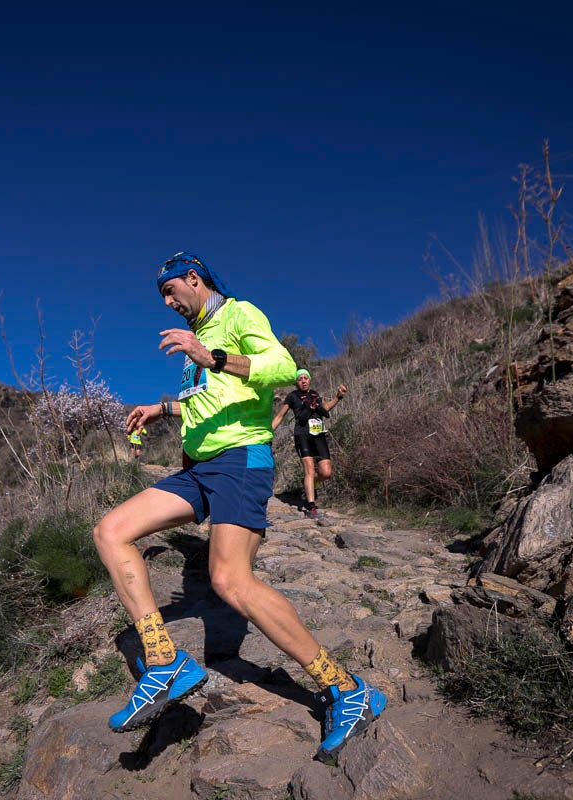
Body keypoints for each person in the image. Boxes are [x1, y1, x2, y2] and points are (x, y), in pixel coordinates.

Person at [92, 252, 386, 762]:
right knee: (110, 531)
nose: (167, 302)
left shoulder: (237, 314)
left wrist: (213, 356)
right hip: (199, 468)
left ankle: (346, 688)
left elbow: (282, 367)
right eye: (162, 297)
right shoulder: (196, 340)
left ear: (193, 278)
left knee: (230, 581)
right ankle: (164, 663)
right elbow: (210, 399)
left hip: (241, 459)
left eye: (170, 291)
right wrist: (163, 409)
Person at [271, 368, 348, 518]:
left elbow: (325, 407)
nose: (303, 381)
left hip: (319, 435)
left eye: (305, 378)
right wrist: (269, 432)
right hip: (302, 435)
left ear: (309, 380)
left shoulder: (315, 394)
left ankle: (310, 483)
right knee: (309, 470)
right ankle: (311, 507)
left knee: (326, 472)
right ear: (296, 383)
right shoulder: (292, 396)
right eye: (300, 379)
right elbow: (280, 416)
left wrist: (338, 397)